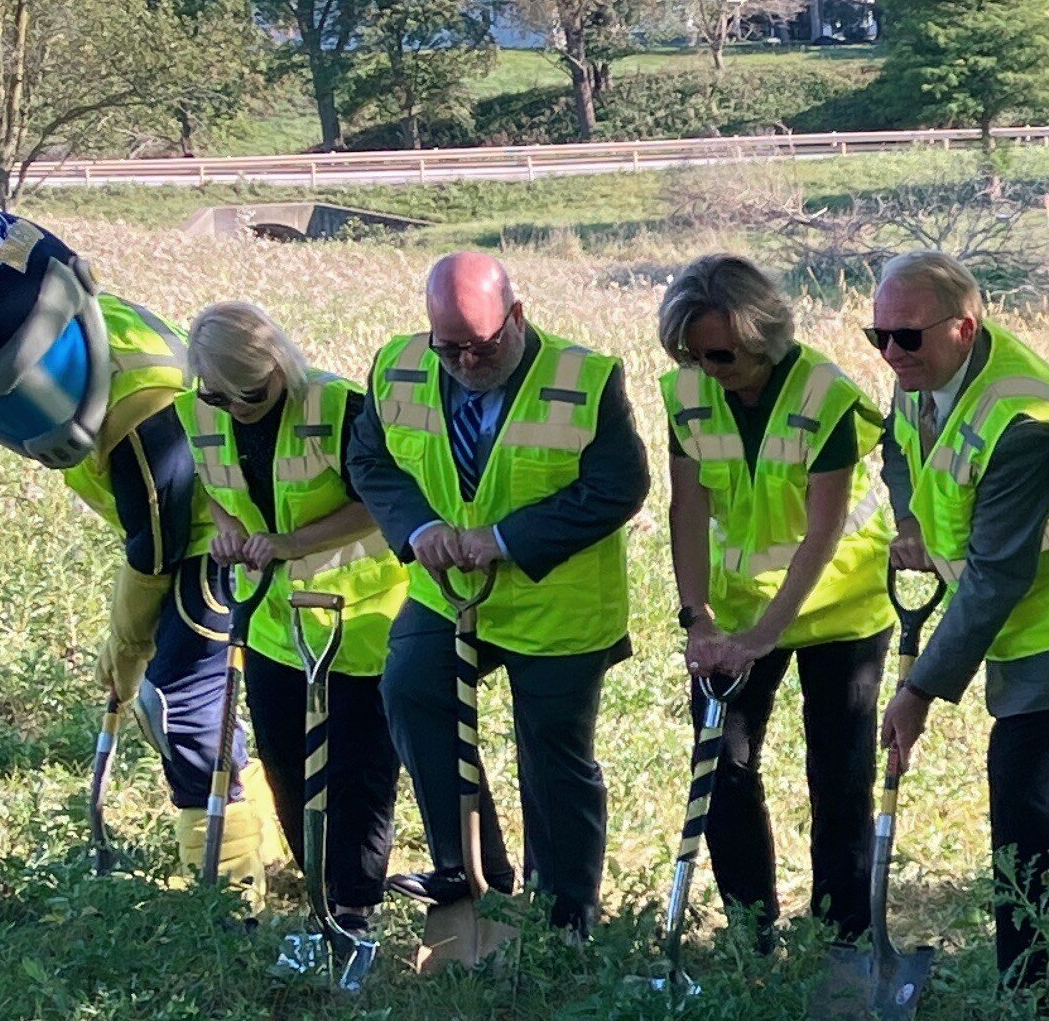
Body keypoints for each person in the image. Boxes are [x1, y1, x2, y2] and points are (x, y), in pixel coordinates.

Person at [0, 199, 275, 884]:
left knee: (178, 700)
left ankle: (232, 880)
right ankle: (256, 832)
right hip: (187, 533)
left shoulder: (143, 405)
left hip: (226, 537)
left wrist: (127, 648)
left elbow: (155, 548)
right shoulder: (88, 327)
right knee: (194, 698)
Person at [349, 251, 649, 934]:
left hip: (557, 605)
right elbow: (368, 458)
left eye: (479, 347)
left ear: (516, 316)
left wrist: (507, 539)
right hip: (446, 590)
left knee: (552, 756)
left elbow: (618, 487)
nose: (464, 362)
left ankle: (564, 909)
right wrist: (418, 526)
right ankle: (468, 867)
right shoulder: (396, 367)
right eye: (447, 347)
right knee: (412, 689)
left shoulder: (585, 379)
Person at [869, 249, 1049, 991]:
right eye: (876, 335)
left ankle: (1039, 983)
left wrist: (920, 691)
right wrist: (911, 515)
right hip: (1009, 610)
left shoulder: (1024, 419)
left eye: (907, 337)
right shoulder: (920, 373)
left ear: (965, 329)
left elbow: (998, 574)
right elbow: (900, 447)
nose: (890, 353)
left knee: (1024, 796)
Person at [656, 253, 892, 946]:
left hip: (840, 607)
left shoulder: (824, 394)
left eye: (722, 354)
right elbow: (687, 508)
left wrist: (766, 636)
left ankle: (842, 935)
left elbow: (823, 531)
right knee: (721, 762)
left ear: (762, 337)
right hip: (733, 613)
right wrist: (696, 615)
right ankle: (750, 929)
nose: (708, 369)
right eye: (692, 355)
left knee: (839, 776)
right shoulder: (689, 393)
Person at [184, 299, 410, 933]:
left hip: (360, 619)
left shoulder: (341, 409)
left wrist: (290, 544)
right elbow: (216, 489)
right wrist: (228, 532)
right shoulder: (201, 414)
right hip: (271, 623)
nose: (236, 408)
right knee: (285, 763)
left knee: (356, 771)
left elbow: (379, 505)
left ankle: (354, 907)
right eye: (219, 397)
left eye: (248, 394)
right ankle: (319, 898)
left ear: (278, 364)